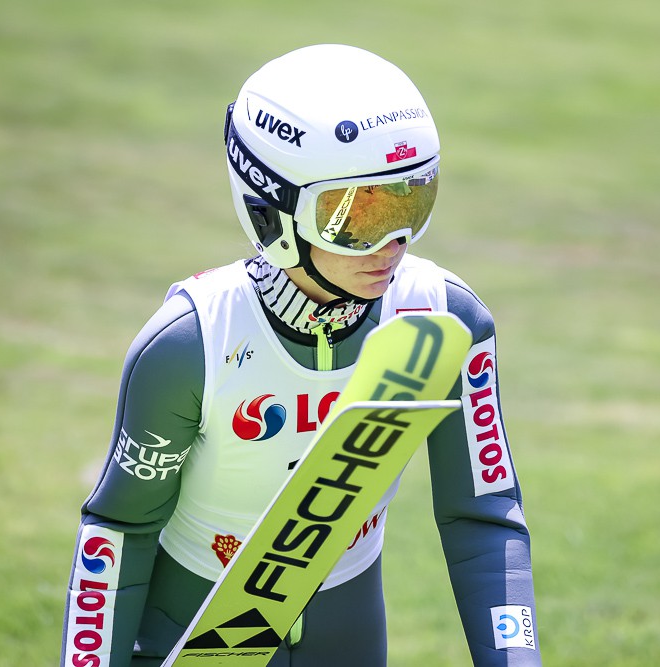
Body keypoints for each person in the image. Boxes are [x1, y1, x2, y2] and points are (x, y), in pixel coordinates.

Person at [60, 44, 541, 667]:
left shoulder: (447, 319)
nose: (392, 245)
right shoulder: (188, 345)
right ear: (272, 213)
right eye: (355, 216)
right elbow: (119, 534)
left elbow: (485, 518)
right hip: (184, 639)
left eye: (410, 203)